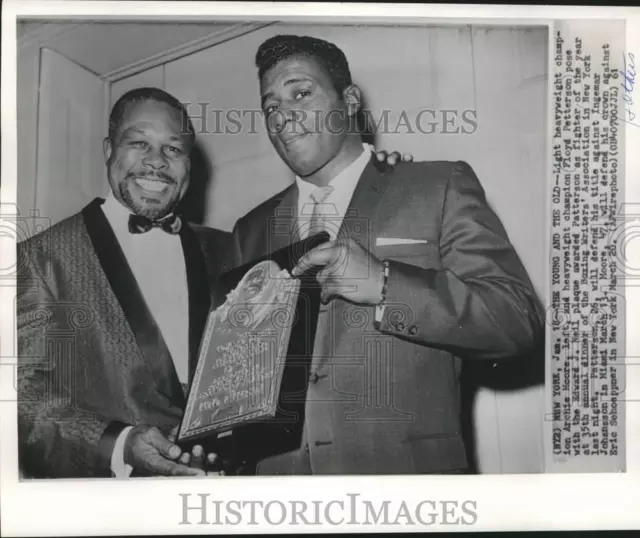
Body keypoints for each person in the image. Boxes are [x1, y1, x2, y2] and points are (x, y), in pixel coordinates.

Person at [16, 86, 407, 478]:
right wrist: (119, 444)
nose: (156, 162)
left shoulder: (229, 247)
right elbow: (20, 399)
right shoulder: (40, 257)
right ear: (108, 150)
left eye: (173, 149)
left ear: (189, 163)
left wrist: (369, 178)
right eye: (138, 143)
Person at [229, 34, 545, 475]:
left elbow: (517, 321)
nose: (282, 117)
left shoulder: (437, 185)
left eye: (301, 93)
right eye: (270, 107)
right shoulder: (250, 229)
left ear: (351, 99)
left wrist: (384, 285)